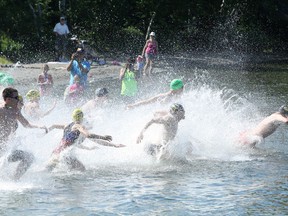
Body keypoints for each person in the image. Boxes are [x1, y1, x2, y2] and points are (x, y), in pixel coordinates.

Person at [46, 109, 125, 171]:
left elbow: (54, 126)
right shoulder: (79, 127)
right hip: (64, 155)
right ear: (82, 118)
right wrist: (103, 137)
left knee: (49, 171)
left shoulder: (67, 125)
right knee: (81, 170)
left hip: (55, 153)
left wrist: (45, 132)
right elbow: (89, 135)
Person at [0, 87, 47, 180]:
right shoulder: (1, 110)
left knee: (29, 157)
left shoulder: (15, 111)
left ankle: (14, 180)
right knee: (3, 163)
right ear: (8, 99)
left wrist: (39, 126)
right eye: (16, 98)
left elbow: (26, 124)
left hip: (6, 148)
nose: (19, 100)